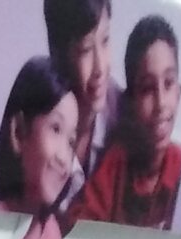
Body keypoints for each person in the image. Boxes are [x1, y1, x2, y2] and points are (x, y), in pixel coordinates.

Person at [82, 13, 181, 231]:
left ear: (179, 93)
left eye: (168, 83)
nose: (160, 103)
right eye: (147, 89)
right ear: (130, 102)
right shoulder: (117, 164)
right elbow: (78, 226)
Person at [0, 56, 82, 239]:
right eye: (55, 128)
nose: (64, 158)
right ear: (18, 132)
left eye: (71, 142)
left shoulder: (51, 231)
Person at [44, 0, 117, 187]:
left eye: (105, 40)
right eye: (86, 50)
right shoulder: (40, 125)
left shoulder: (125, 114)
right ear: (58, 54)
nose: (100, 67)